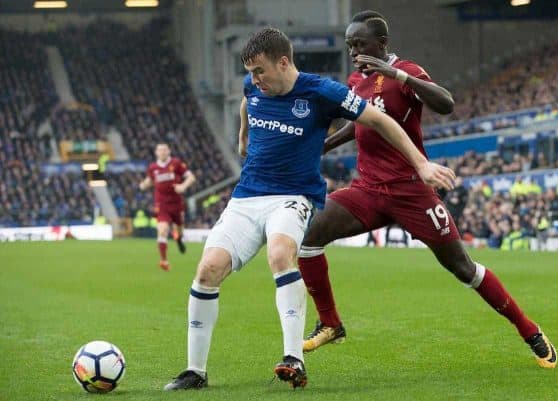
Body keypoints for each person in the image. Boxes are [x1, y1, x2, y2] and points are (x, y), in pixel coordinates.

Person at [163, 27, 456, 391]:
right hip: (247, 195)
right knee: (207, 270)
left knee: (281, 252)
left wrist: (421, 165)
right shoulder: (254, 86)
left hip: (294, 195)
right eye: (250, 72)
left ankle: (293, 359)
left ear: (283, 62)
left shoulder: (322, 92)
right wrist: (242, 137)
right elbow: (246, 100)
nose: (254, 79)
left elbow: (380, 120)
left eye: (260, 70)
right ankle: (195, 371)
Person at [298, 10, 557, 369]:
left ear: (382, 43)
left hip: (410, 190)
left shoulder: (407, 71)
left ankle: (528, 329)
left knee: (463, 268)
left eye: (360, 43)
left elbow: (446, 104)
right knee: (309, 238)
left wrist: (397, 74)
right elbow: (362, 124)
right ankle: (330, 323)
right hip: (368, 189)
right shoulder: (356, 79)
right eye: (349, 45)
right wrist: (324, 146)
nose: (354, 51)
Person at [139, 143, 196, 271]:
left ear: (169, 151)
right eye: (160, 150)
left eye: (165, 150)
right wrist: (142, 185)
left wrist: (183, 186)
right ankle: (164, 260)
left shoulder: (176, 163)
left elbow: (191, 177)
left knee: (179, 230)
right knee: (162, 230)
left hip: (176, 204)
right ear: (156, 153)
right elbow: (149, 181)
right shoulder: (153, 167)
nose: (163, 152)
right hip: (161, 205)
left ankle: (179, 239)